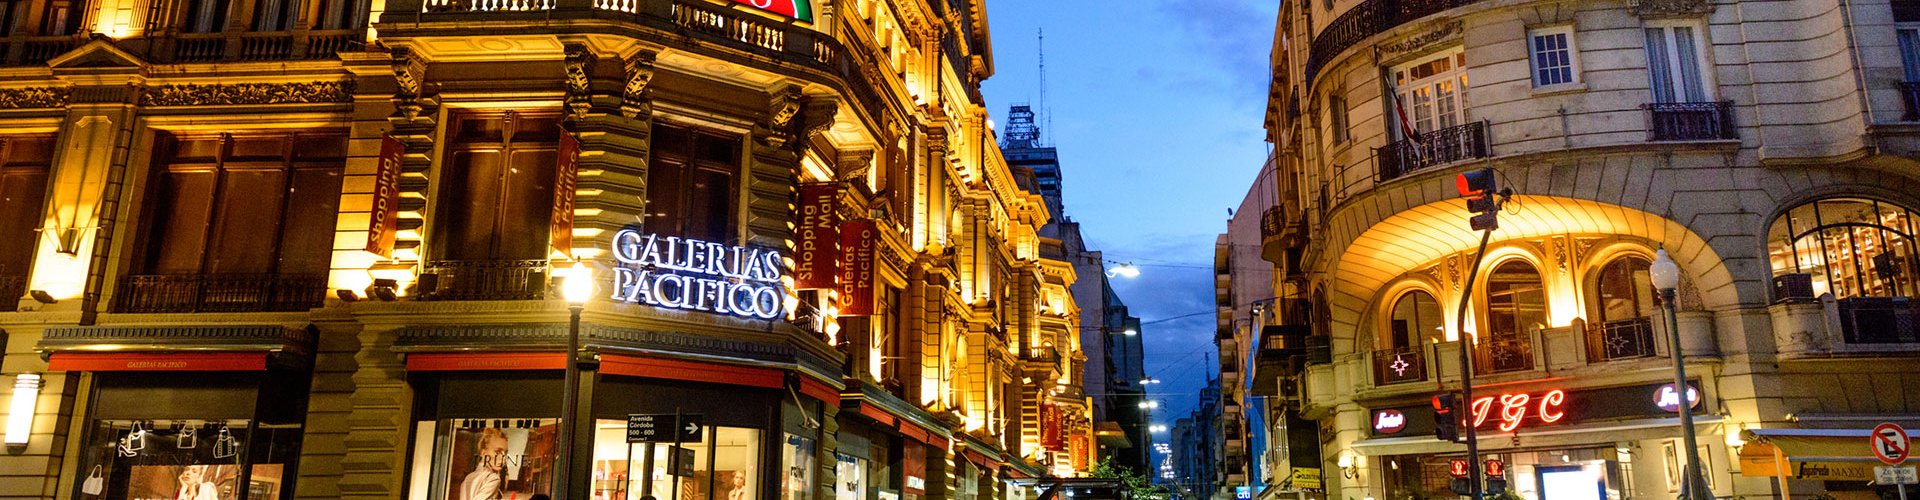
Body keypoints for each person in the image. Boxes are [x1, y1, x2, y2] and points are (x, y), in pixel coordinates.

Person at [461, 428, 511, 500]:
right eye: (497, 452)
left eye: (505, 453)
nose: (503, 458)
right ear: (484, 453)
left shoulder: (469, 477)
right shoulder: (493, 479)